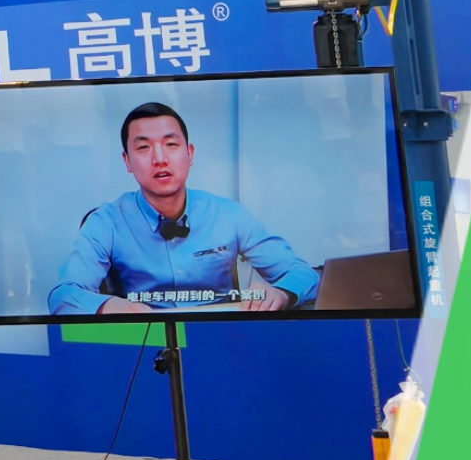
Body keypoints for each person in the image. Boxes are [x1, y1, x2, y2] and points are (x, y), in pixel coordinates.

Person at [49, 102, 319, 316]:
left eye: (171, 144)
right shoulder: (106, 222)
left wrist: (281, 293)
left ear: (189, 154)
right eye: (143, 147)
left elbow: (303, 274)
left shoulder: (227, 215)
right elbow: (63, 296)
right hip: (145, 343)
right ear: (127, 161)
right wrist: (109, 306)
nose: (160, 159)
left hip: (220, 339)